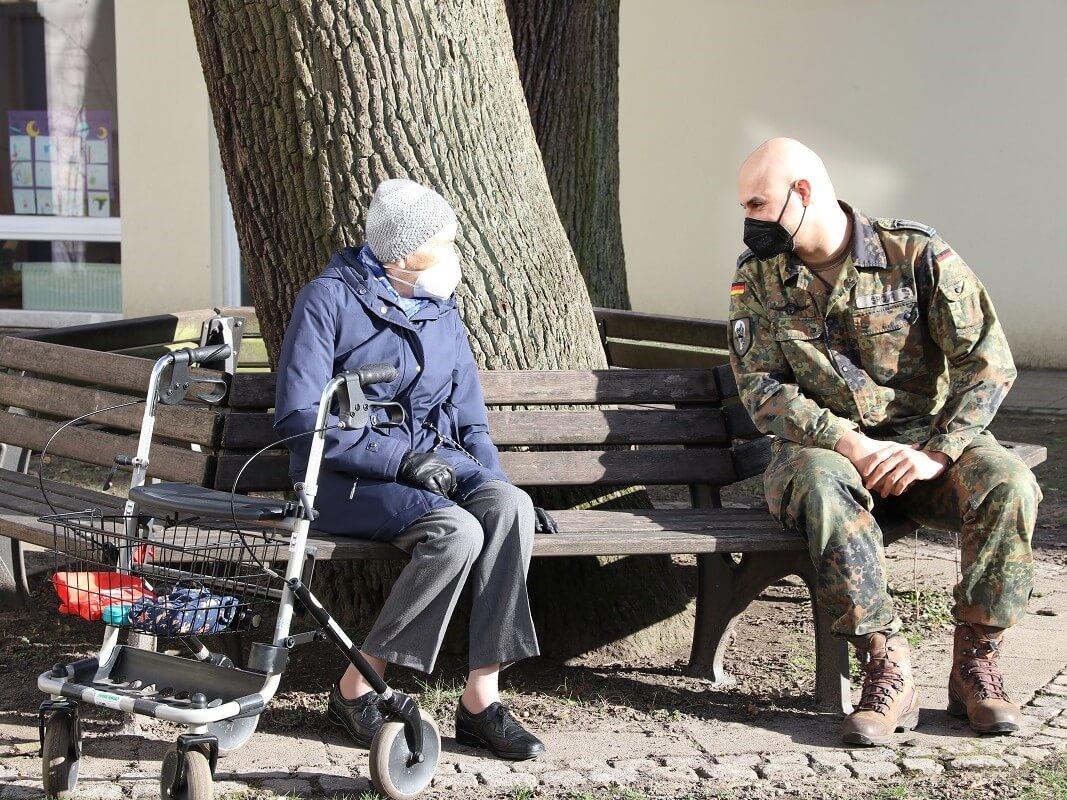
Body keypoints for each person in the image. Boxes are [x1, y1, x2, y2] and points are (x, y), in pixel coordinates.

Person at [728, 138, 1041, 746]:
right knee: (822, 485)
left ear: (803, 192)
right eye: (744, 206)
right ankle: (884, 664)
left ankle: (976, 662)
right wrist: (848, 442)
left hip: (923, 449)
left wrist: (937, 452)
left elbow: (989, 361)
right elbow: (762, 389)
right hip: (825, 453)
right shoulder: (758, 278)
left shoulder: (914, 252)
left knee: (1010, 483)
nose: (750, 221)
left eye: (758, 204)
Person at [274, 178, 558, 760]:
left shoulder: (440, 309)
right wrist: (398, 459)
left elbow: (471, 423)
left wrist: (497, 482)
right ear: (402, 253)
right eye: (444, 242)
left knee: (508, 509)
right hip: (340, 481)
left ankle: (481, 701)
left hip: (430, 466)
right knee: (456, 533)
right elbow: (300, 417)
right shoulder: (326, 300)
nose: (455, 255)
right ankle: (357, 687)